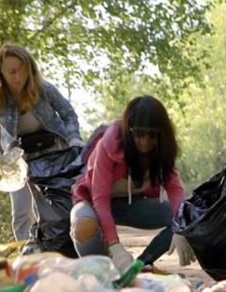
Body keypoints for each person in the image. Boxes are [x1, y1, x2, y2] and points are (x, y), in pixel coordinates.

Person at [70, 95, 194, 271]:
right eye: (139, 133)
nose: (145, 141)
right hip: (93, 203)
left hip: (131, 205)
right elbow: (100, 200)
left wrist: (181, 228)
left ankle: (140, 265)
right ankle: (105, 270)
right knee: (84, 226)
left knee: (187, 217)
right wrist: (114, 245)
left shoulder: (161, 152)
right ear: (128, 131)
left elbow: (175, 191)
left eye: (152, 134)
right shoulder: (108, 146)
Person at [0, 43, 83, 241]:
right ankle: (27, 255)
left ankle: (75, 249)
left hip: (56, 153)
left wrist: (74, 138)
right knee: (22, 214)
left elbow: (68, 114)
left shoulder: (44, 89)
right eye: (12, 72)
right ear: (0, 73)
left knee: (63, 207)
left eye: (22, 70)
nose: (18, 77)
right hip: (18, 162)